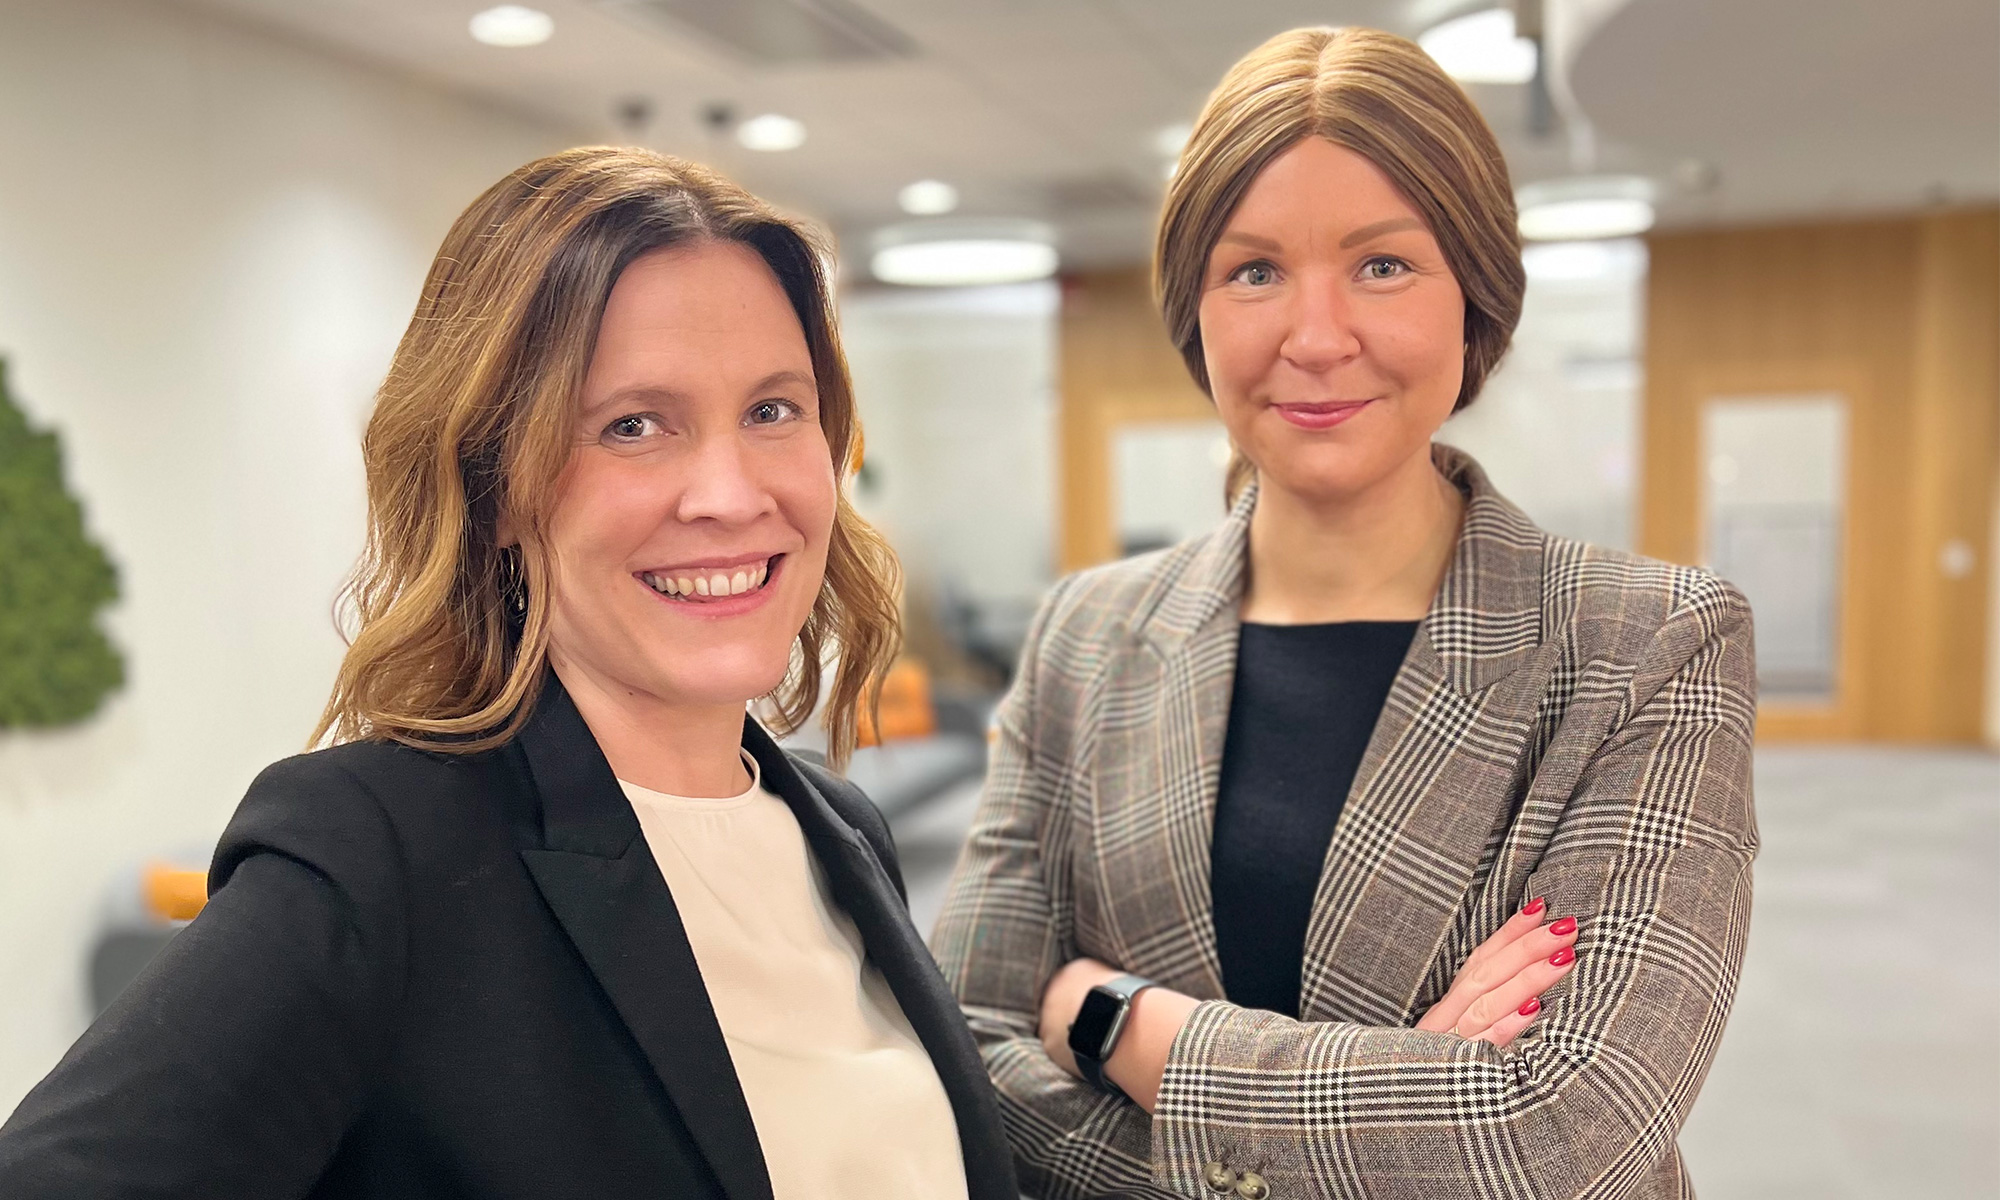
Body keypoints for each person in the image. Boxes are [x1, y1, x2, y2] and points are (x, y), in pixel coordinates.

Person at [0, 146, 1016, 1200]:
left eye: (772, 410)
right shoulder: (382, 854)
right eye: (633, 425)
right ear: (493, 493)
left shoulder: (839, 833)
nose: (729, 491)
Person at [931, 26, 1756, 1200]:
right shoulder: (1086, 635)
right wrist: (1411, 1096)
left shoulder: (1647, 641)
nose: (1315, 338)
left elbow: (1564, 1137)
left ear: (1471, 297)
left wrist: (1112, 1022)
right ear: (1196, 316)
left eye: (1381, 265)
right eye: (1253, 270)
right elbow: (964, 1052)